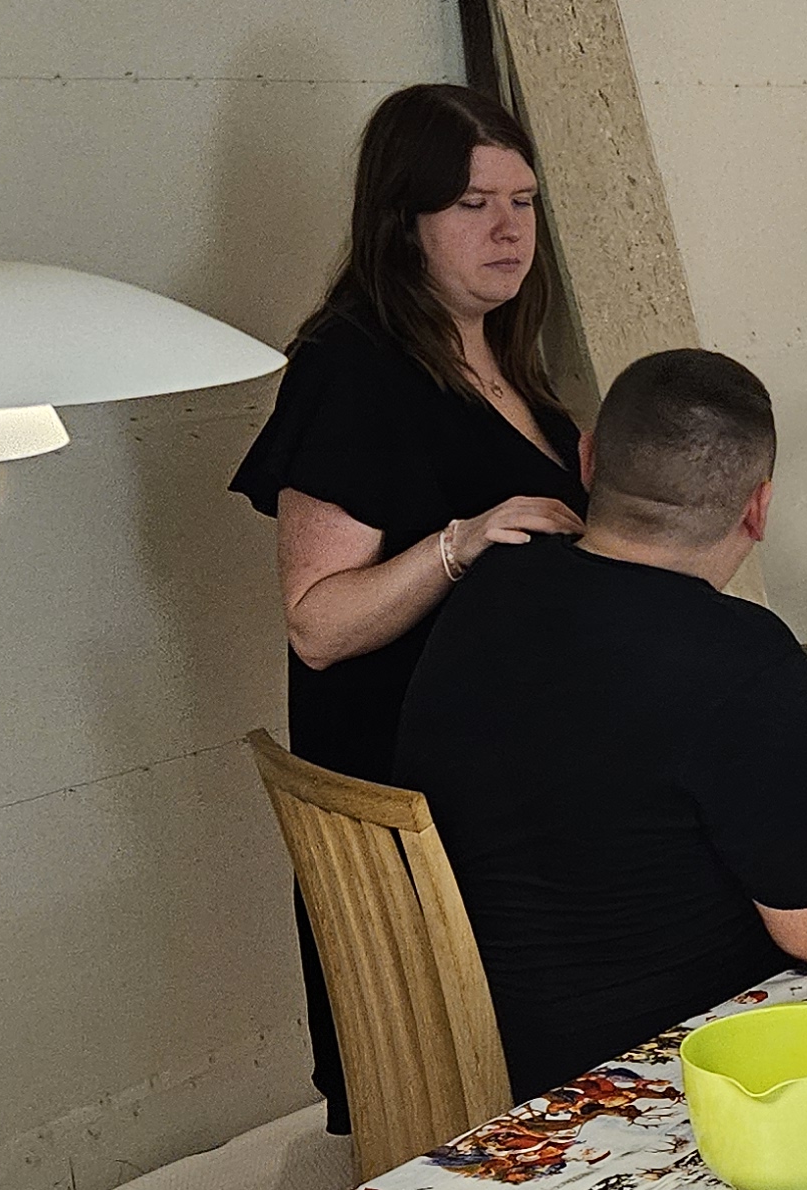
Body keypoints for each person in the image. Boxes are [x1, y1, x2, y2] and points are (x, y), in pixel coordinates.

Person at [396, 349, 807, 1104]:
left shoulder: (493, 585)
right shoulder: (740, 657)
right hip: (669, 1073)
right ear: (759, 508)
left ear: (588, 459)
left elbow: (669, 707)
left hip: (509, 1045)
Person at [229, 85, 592, 1128]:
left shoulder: (506, 357)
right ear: (404, 220)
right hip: (416, 800)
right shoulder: (350, 370)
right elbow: (318, 623)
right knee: (460, 1097)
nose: (509, 230)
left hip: (514, 777)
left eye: (523, 202)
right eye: (473, 205)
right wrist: (458, 544)